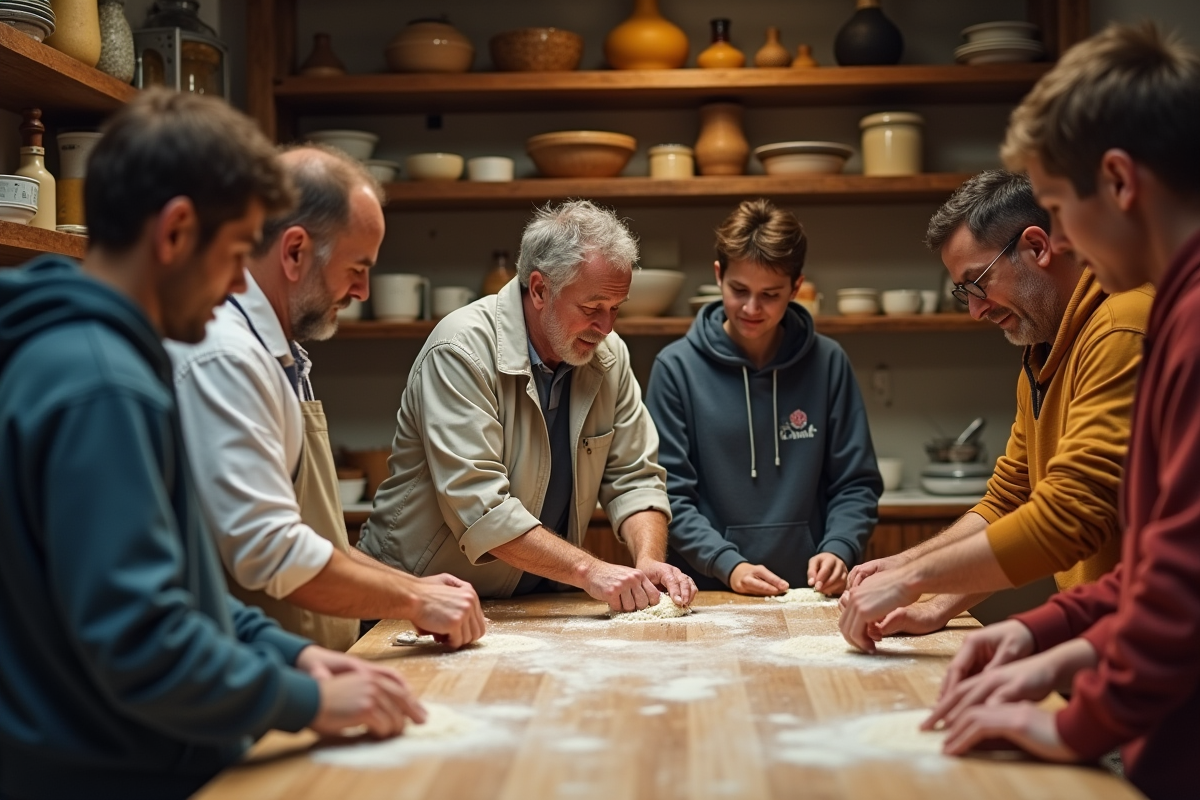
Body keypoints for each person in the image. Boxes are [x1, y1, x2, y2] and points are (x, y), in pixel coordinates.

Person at [0, 90, 422, 800]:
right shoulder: (103, 386)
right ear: (175, 233)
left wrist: (291, 658)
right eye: (233, 254)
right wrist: (307, 702)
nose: (236, 285)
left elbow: (182, 597)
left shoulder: (92, 357)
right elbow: (141, 642)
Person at [920, 24, 1200, 800]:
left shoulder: (1151, 318)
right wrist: (1043, 636)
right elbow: (1150, 576)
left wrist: (1070, 723)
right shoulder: (1167, 311)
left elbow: (1180, 588)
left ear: (1116, 182)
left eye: (1055, 207)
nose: (1061, 241)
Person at [166, 145, 485, 652]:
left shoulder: (280, 350)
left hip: (300, 666)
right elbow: (271, 550)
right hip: (250, 681)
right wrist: (411, 600)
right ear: (293, 252)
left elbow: (316, 539)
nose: (362, 291)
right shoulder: (227, 356)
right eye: (357, 268)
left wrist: (416, 587)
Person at [838, 170, 1152, 651]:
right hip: (1102, 636)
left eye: (977, 282)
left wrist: (914, 576)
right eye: (964, 293)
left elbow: (1068, 516)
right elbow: (1013, 500)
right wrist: (928, 592)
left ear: (1037, 246)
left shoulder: (1120, 329)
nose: (975, 311)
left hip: (1155, 644)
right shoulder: (1042, 351)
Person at [358, 200, 697, 611]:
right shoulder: (460, 350)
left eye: (615, 310)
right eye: (592, 309)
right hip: (417, 601)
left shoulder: (610, 357)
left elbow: (635, 478)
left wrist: (648, 560)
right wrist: (590, 570)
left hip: (535, 600)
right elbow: (483, 509)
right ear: (539, 289)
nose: (606, 328)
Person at [645, 199, 881, 597]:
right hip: (709, 593)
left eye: (770, 294)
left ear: (796, 287)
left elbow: (855, 484)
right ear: (719, 276)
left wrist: (840, 548)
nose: (752, 308)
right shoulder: (675, 368)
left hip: (810, 593)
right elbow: (669, 495)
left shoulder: (828, 362)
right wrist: (727, 564)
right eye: (739, 290)